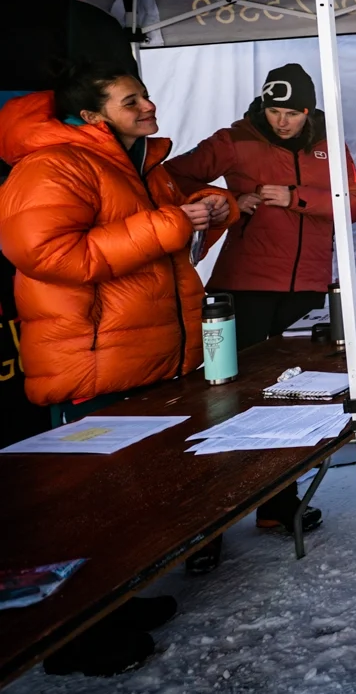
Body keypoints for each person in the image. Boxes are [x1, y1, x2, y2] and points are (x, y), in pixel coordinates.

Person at [0, 64, 236, 676]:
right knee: (88, 508)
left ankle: (114, 604)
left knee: (131, 502)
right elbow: (48, 253)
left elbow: (163, 237)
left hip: (146, 356)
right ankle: (71, 639)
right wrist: (169, 224)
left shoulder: (140, 166)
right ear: (92, 116)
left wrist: (210, 212)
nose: (150, 105)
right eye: (132, 100)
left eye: (147, 94)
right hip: (94, 361)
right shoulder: (51, 164)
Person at [165, 63, 356, 537]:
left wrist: (297, 196)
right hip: (244, 288)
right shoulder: (234, 140)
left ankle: (279, 503)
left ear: (308, 109)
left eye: (293, 113)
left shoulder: (328, 144)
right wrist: (230, 203)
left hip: (305, 290)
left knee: (295, 399)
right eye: (275, 111)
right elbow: (167, 181)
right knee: (229, 400)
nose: (283, 122)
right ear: (262, 106)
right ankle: (210, 521)